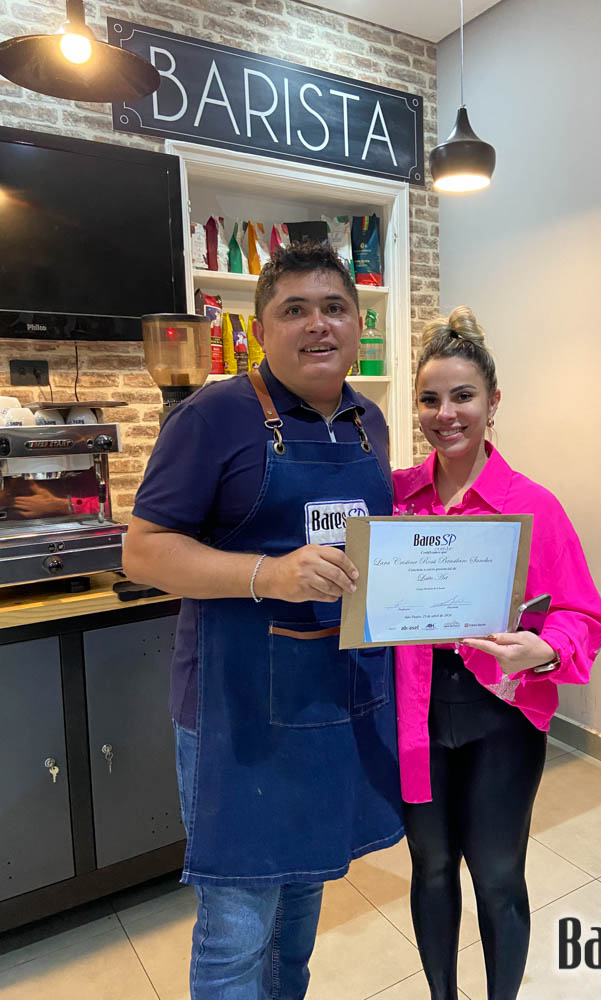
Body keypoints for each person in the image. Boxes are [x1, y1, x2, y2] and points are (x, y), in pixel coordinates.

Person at [122, 242, 403, 1000]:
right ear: (261, 329)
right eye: (295, 310)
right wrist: (267, 574)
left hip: (332, 698)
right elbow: (142, 551)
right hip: (235, 710)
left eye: (334, 307)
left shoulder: (370, 421)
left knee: (303, 905)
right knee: (237, 929)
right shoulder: (213, 416)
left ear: (357, 323)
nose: (318, 325)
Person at [392, 306, 601, 1000]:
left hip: (501, 719)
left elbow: (584, 616)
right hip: (416, 713)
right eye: (430, 399)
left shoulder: (533, 505)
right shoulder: (395, 500)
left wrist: (542, 650)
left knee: (496, 874)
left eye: (462, 396)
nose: (445, 414)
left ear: (493, 402)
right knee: (431, 868)